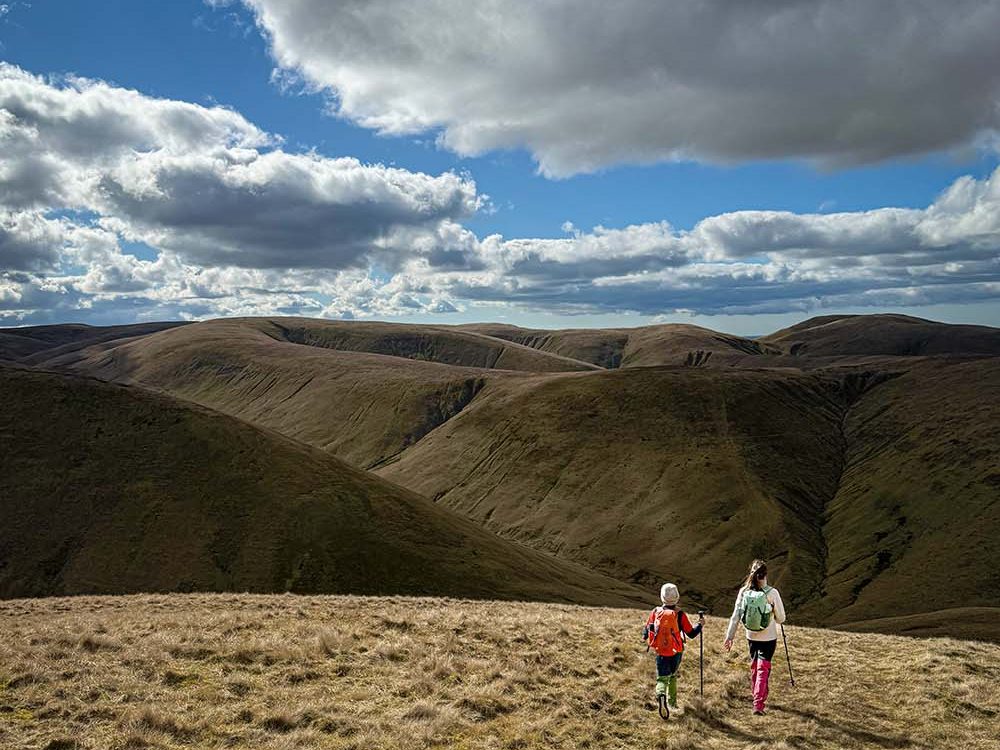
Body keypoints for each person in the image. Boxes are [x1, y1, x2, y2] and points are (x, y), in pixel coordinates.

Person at [723, 559, 786, 715]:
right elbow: (781, 619)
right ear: (766, 574)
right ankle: (758, 703)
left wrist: (729, 636)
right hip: (768, 637)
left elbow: (736, 616)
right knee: (763, 668)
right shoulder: (772, 593)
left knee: (755, 665)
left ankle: (757, 694)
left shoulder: (744, 592)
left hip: (750, 636)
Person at [643, 582, 704, 717]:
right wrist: (700, 625)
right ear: (677, 597)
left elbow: (647, 628)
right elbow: (691, 633)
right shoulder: (679, 614)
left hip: (660, 651)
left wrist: (645, 637)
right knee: (672, 676)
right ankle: (672, 703)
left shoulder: (656, 612)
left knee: (662, 678)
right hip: (676, 651)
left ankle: (661, 695)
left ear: (662, 596)